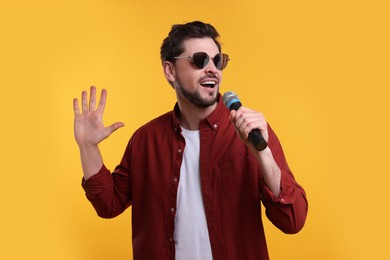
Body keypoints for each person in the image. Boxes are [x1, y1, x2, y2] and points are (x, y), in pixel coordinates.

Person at [73, 21, 308, 260]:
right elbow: (109, 204)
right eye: (199, 60)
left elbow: (293, 220)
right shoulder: (145, 140)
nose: (212, 69)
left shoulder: (252, 131)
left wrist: (262, 153)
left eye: (218, 61)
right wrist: (87, 146)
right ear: (170, 70)